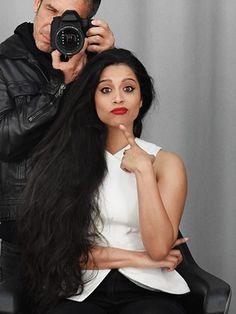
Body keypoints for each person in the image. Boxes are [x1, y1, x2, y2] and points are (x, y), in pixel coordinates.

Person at [19, 48, 190, 314]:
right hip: (79, 289)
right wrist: (139, 259)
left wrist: (144, 171)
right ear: (93, 99)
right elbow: (59, 252)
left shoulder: (167, 163)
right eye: (106, 90)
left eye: (129, 88)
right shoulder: (64, 162)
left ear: (142, 99)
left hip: (150, 289)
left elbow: (158, 250)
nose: (118, 98)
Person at [0, 0, 114, 284]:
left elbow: (120, 133)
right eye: (50, 10)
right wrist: (59, 85)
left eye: (68, 19)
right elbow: (5, 140)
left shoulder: (92, 61)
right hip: (25, 223)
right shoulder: (3, 62)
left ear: (86, 25)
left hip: (89, 221)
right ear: (36, 2)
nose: (53, 25)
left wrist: (109, 65)